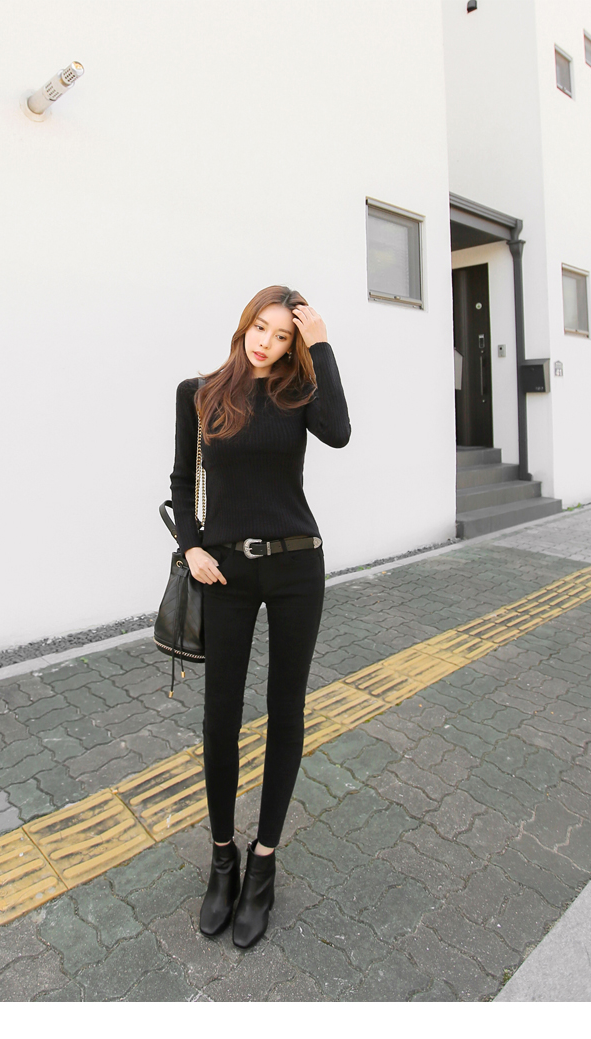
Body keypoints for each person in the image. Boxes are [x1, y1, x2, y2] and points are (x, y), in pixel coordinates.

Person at [168, 285, 351, 948]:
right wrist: (191, 546)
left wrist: (322, 345)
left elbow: (339, 433)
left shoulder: (300, 393)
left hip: (297, 566)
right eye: (261, 328)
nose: (267, 343)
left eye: (283, 336)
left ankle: (264, 862)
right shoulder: (199, 392)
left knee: (285, 711)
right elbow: (181, 481)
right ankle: (223, 859)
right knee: (220, 716)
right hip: (225, 573)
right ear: (244, 324)